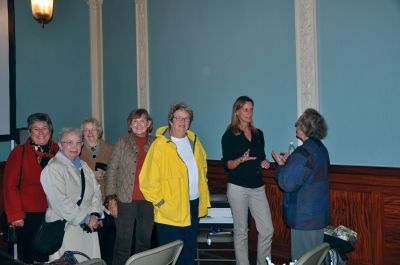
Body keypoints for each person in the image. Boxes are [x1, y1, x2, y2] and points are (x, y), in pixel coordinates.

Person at [139, 103, 210, 265]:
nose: (183, 121)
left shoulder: (195, 142)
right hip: (170, 210)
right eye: (178, 117)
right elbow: (147, 180)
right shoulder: (159, 145)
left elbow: (203, 169)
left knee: (189, 250)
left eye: (186, 118)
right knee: (172, 256)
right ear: (170, 121)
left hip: (193, 205)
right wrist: (160, 202)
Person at [221, 96, 274, 265]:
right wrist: (240, 160)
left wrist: (264, 163)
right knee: (241, 231)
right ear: (237, 112)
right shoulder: (229, 135)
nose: (249, 112)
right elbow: (228, 164)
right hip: (238, 188)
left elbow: (261, 158)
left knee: (267, 230)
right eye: (245, 109)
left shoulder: (259, 134)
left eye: (251, 109)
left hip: (258, 187)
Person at [271, 108, 330, 260]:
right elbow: (308, 174)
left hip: (304, 218)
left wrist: (281, 167)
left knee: (303, 259)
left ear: (305, 128)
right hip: (318, 216)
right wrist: (292, 162)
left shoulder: (303, 152)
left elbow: (287, 183)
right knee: (315, 259)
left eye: (298, 123)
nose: (296, 126)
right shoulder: (321, 149)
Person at [3, 113, 59, 264]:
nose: (41, 132)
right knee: (29, 257)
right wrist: (15, 214)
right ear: (29, 132)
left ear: (50, 130)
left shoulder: (59, 151)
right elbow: (10, 186)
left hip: (54, 212)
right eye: (36, 129)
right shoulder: (19, 152)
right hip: (27, 215)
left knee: (50, 256)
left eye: (44, 128)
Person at [40, 128, 103, 262]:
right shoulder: (53, 168)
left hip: (88, 228)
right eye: (69, 142)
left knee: (89, 260)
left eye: (78, 142)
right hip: (65, 227)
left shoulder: (84, 166)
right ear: (60, 145)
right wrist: (85, 219)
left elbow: (96, 191)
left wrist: (95, 214)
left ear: (82, 145)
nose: (74, 146)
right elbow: (60, 202)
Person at [105, 108, 155, 265]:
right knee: (123, 244)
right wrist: (111, 199)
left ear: (148, 124)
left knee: (144, 242)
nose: (139, 124)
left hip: (149, 201)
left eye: (142, 121)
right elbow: (111, 170)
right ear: (130, 125)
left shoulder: (157, 143)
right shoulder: (121, 142)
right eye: (135, 121)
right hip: (125, 200)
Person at [80, 117, 114, 265]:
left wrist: (107, 174)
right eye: (86, 130)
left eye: (93, 129)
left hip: (107, 200)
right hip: (86, 203)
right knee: (91, 242)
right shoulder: (77, 150)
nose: (90, 133)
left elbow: (118, 172)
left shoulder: (110, 149)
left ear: (99, 131)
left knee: (107, 239)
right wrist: (89, 175)